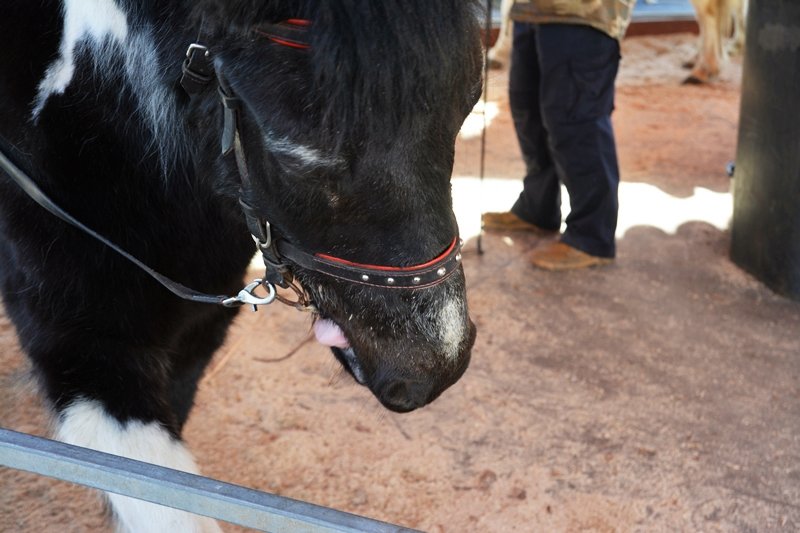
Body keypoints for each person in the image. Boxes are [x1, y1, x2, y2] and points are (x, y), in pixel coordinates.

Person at [482, 0, 634, 270]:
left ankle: (592, 237)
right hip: (530, 10)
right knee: (528, 110)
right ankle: (537, 209)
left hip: (585, 13)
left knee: (576, 119)